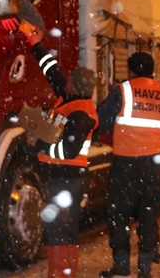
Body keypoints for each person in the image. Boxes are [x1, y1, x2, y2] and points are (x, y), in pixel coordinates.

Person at [21, 27, 98, 278]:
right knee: (63, 229)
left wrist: (37, 144)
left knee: (59, 230)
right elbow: (52, 72)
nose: (64, 81)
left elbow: (66, 150)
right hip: (64, 178)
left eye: (70, 80)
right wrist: (36, 45)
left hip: (67, 179)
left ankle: (61, 275)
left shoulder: (81, 114)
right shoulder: (71, 99)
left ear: (75, 87)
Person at [97, 52, 160, 278]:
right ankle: (145, 269)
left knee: (119, 215)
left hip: (126, 163)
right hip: (155, 164)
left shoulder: (122, 91)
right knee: (148, 215)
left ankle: (122, 267)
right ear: (152, 71)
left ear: (131, 71)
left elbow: (102, 121)